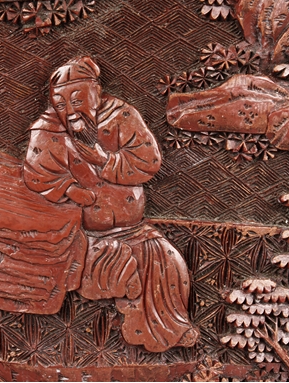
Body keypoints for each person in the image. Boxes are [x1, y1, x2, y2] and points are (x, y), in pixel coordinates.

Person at [24, 56, 199, 352]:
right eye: (61, 103)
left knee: (170, 263)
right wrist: (69, 189)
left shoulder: (121, 116)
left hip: (133, 229)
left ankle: (173, 330)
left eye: (77, 100)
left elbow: (149, 161)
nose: (70, 111)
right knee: (116, 268)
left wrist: (105, 160)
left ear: (96, 92)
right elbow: (36, 174)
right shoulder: (48, 129)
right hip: (84, 234)